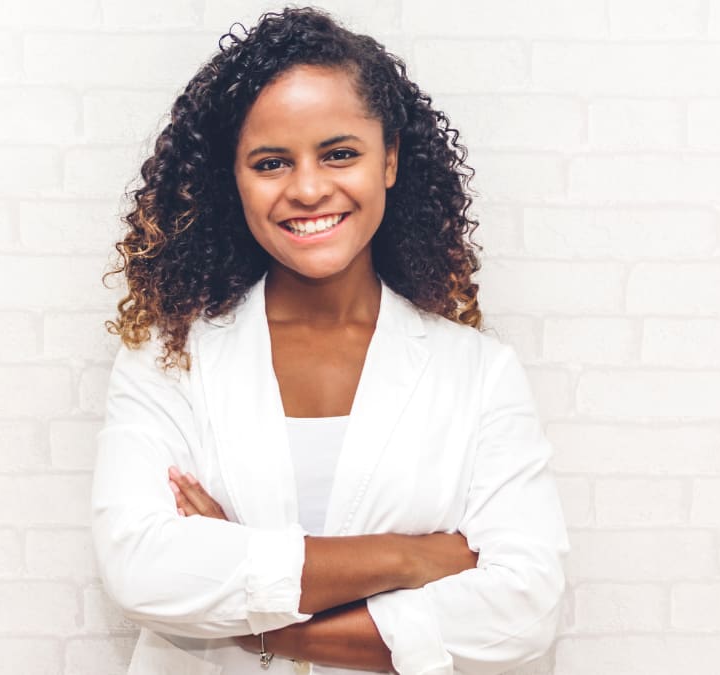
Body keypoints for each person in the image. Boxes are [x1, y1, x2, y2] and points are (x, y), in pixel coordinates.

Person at [91, 7, 569, 674]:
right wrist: (410, 558)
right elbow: (141, 568)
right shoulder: (170, 359)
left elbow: (526, 607)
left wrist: (249, 604)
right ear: (235, 178)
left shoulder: (476, 372)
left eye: (340, 153)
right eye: (271, 162)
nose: (309, 189)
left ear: (391, 159)